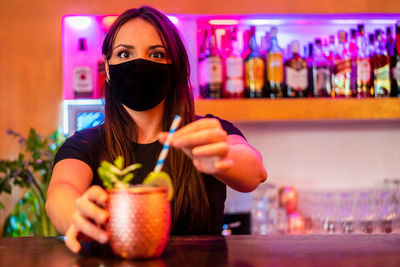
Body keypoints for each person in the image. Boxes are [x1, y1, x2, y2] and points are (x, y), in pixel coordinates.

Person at [46, 5, 267, 253]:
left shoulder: (205, 134)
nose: (140, 65)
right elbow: (60, 192)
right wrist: (74, 214)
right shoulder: (85, 145)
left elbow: (254, 172)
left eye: (157, 54)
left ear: (176, 68)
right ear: (107, 69)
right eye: (124, 54)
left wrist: (222, 157)